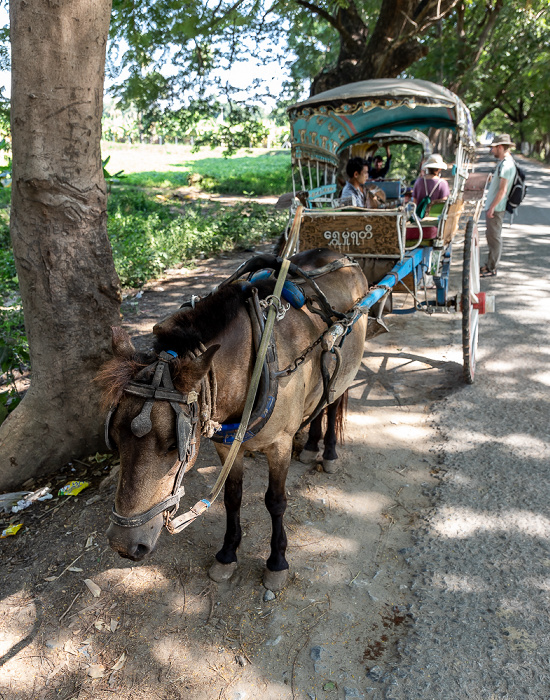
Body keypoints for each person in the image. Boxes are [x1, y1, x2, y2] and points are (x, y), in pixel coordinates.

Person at [480, 133, 516, 277]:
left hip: (497, 208)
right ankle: (489, 265)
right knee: (491, 237)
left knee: (494, 238)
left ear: (500, 147)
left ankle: (492, 268)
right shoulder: (503, 163)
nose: (492, 151)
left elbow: (503, 190)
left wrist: (492, 207)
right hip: (495, 207)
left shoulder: (507, 164)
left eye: (493, 148)